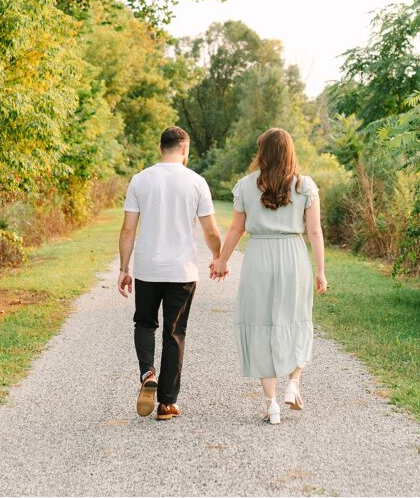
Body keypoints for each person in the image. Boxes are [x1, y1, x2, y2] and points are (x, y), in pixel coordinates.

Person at [210, 127, 327, 425]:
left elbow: (236, 229)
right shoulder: (305, 186)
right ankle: (294, 383)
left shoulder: (247, 186)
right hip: (293, 256)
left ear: (262, 152)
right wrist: (321, 271)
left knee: (261, 324)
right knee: (297, 318)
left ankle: (271, 404)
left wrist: (222, 260)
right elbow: (314, 232)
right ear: (290, 151)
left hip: (259, 257)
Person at [117, 126, 224, 421]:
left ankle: (147, 371)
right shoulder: (196, 182)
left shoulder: (140, 180)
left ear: (159, 147)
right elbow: (211, 230)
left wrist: (124, 268)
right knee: (174, 333)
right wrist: (218, 257)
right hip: (182, 271)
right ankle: (167, 403)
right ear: (185, 150)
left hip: (148, 268)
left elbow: (128, 229)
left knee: (144, 322)